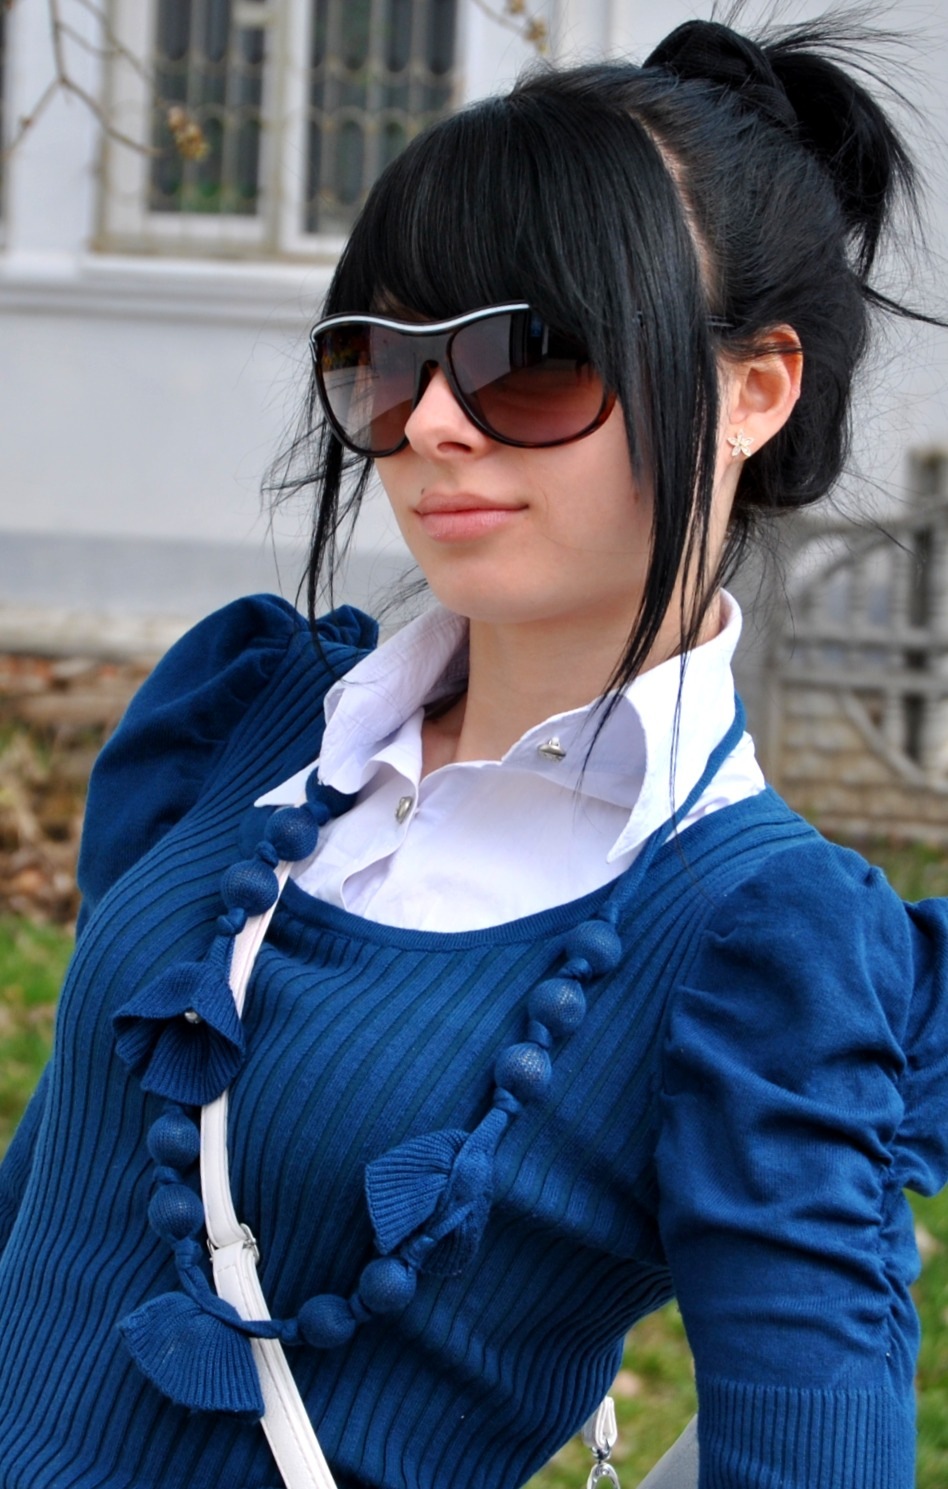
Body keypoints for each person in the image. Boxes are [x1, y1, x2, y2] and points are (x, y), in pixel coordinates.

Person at [0, 13, 946, 1489]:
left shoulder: (761, 947)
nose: (434, 423)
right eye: (388, 359)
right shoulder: (253, 717)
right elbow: (58, 1195)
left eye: (535, 356)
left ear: (756, 391)